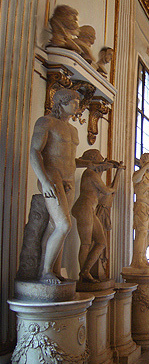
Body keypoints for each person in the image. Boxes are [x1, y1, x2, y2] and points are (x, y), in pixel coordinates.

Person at [30, 88, 82, 284]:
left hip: (68, 179)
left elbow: (69, 157)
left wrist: (91, 164)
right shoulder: (46, 122)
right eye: (74, 102)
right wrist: (44, 181)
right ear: (61, 102)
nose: (77, 105)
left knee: (55, 226)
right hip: (52, 176)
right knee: (63, 225)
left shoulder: (73, 129)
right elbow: (34, 151)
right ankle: (45, 272)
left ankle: (53, 270)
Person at [72, 149, 121, 283]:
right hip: (84, 208)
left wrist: (117, 171)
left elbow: (108, 188)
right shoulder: (89, 173)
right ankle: (83, 276)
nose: (103, 158)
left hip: (89, 210)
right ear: (93, 159)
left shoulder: (94, 174)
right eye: (100, 157)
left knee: (101, 242)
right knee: (86, 243)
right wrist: (117, 173)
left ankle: (85, 271)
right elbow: (107, 191)